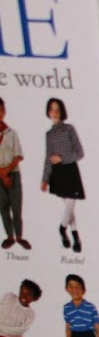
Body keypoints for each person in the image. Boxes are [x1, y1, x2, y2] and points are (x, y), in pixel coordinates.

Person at [39, 97, 85, 252]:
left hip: (70, 171)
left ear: (62, 111)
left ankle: (61, 229)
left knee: (70, 205)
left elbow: (80, 153)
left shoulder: (69, 129)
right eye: (52, 109)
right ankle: (76, 238)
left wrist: (62, 158)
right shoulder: (49, 134)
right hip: (57, 174)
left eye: (57, 109)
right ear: (48, 112)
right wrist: (45, 179)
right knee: (68, 208)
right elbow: (48, 158)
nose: (55, 112)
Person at [0, 98, 26, 250]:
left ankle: (19, 236)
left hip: (13, 173)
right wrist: (2, 175)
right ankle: (9, 237)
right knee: (3, 207)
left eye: (0, 110)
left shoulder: (12, 133)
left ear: (4, 111)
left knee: (16, 207)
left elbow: (18, 155)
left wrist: (7, 171)